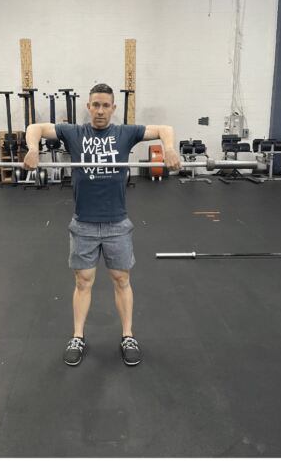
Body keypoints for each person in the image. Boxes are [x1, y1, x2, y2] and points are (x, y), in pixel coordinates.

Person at [23, 83, 181, 367]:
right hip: (83, 222)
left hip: (117, 222)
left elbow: (164, 129)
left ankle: (128, 335)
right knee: (83, 281)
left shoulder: (125, 133)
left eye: (105, 105)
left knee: (122, 280)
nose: (99, 110)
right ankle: (78, 336)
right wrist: (32, 149)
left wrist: (169, 149)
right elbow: (35, 127)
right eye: (95, 105)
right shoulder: (74, 132)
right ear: (88, 106)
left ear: (113, 108)